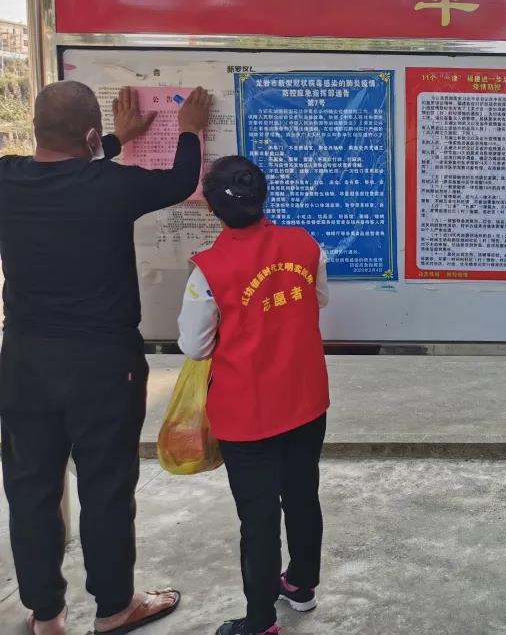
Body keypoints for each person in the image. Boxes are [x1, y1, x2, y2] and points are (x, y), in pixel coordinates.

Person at [0, 82, 210, 635]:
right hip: (103, 365)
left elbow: (67, 168)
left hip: (23, 362)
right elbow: (180, 180)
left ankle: (46, 616)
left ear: (34, 130)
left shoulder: (6, 177)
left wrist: (116, 140)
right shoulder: (110, 186)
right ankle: (115, 608)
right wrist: (189, 128)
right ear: (91, 136)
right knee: (106, 488)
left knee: (30, 491)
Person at [177, 156, 330, 635]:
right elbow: (319, 298)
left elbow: (195, 346)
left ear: (211, 207)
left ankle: (260, 620)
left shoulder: (209, 270)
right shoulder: (304, 245)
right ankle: (301, 585)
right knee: (302, 495)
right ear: (263, 195)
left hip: (247, 414)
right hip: (306, 400)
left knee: (259, 517)